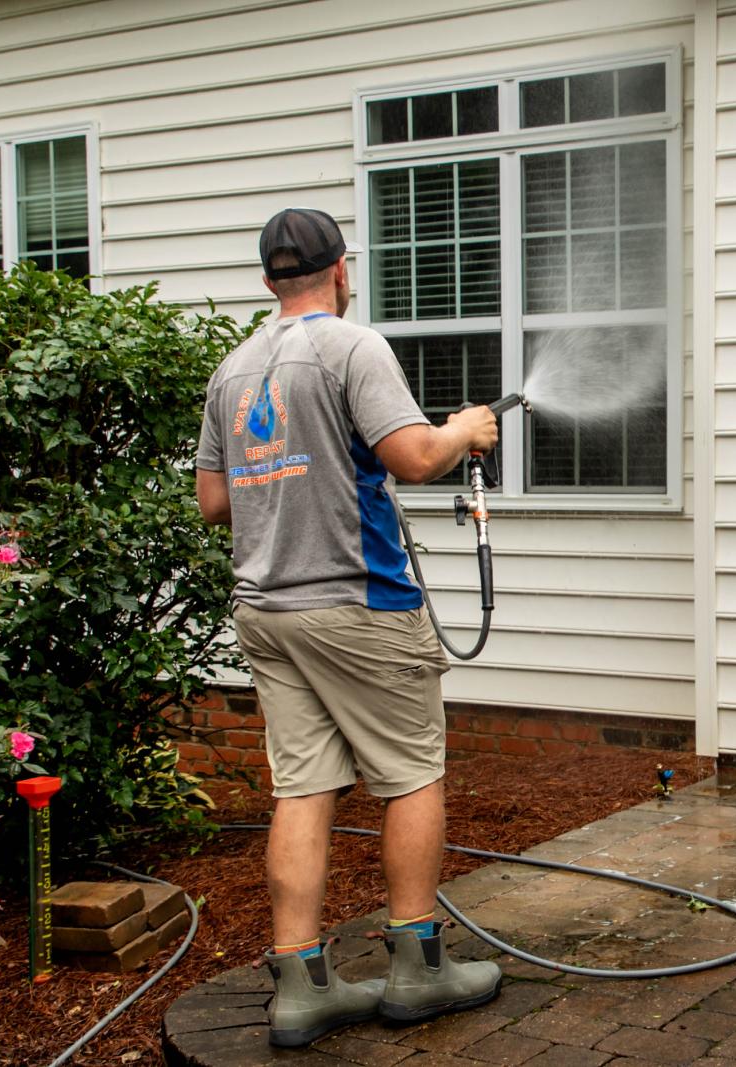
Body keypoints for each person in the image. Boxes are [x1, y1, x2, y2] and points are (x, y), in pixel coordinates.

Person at [194, 207, 501, 1048]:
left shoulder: (232, 370)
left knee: (303, 786)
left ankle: (301, 985)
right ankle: (417, 967)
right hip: (359, 605)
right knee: (409, 773)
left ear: (268, 280)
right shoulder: (352, 346)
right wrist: (464, 430)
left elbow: (215, 501)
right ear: (341, 270)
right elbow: (413, 457)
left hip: (267, 610)